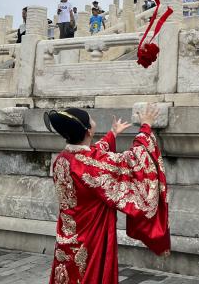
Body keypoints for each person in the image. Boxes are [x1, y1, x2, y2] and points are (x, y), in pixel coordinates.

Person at [46, 104, 170, 284]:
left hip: (68, 235)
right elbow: (133, 160)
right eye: (90, 120)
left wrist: (112, 134)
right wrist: (145, 127)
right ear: (88, 131)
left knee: (67, 275)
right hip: (90, 238)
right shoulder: (92, 164)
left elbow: (92, 153)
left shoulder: (62, 159)